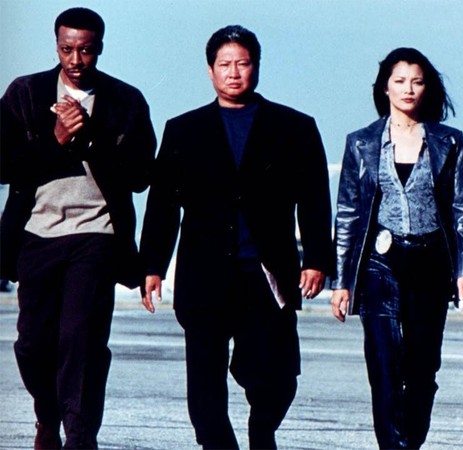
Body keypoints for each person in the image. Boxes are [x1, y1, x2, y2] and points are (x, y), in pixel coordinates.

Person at [139, 25, 333, 449]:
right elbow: (163, 205)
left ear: (256, 67)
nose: (233, 72)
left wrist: (317, 259)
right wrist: (152, 265)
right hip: (204, 275)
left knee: (276, 377)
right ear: (210, 70)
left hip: (267, 273)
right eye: (224, 64)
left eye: (242, 63)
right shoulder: (184, 129)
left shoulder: (295, 127)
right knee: (205, 386)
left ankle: (262, 431)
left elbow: (315, 200)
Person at [0, 7, 156, 449]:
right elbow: (5, 166)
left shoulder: (125, 101)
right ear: (56, 46)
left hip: (97, 235)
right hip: (36, 234)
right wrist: (56, 140)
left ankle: (80, 436)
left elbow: (141, 176)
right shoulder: (24, 93)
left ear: (99, 48)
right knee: (32, 344)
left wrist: (91, 138)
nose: (75, 60)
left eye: (85, 50)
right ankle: (48, 416)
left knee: (81, 339)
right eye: (67, 49)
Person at [330, 47, 463, 449]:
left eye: (416, 81)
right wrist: (342, 281)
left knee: (422, 368)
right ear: (385, 87)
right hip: (379, 263)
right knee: (383, 365)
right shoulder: (361, 143)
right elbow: (347, 213)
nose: (408, 89)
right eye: (399, 81)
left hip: (431, 261)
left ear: (427, 87)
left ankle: (409, 442)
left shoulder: (448, 141)